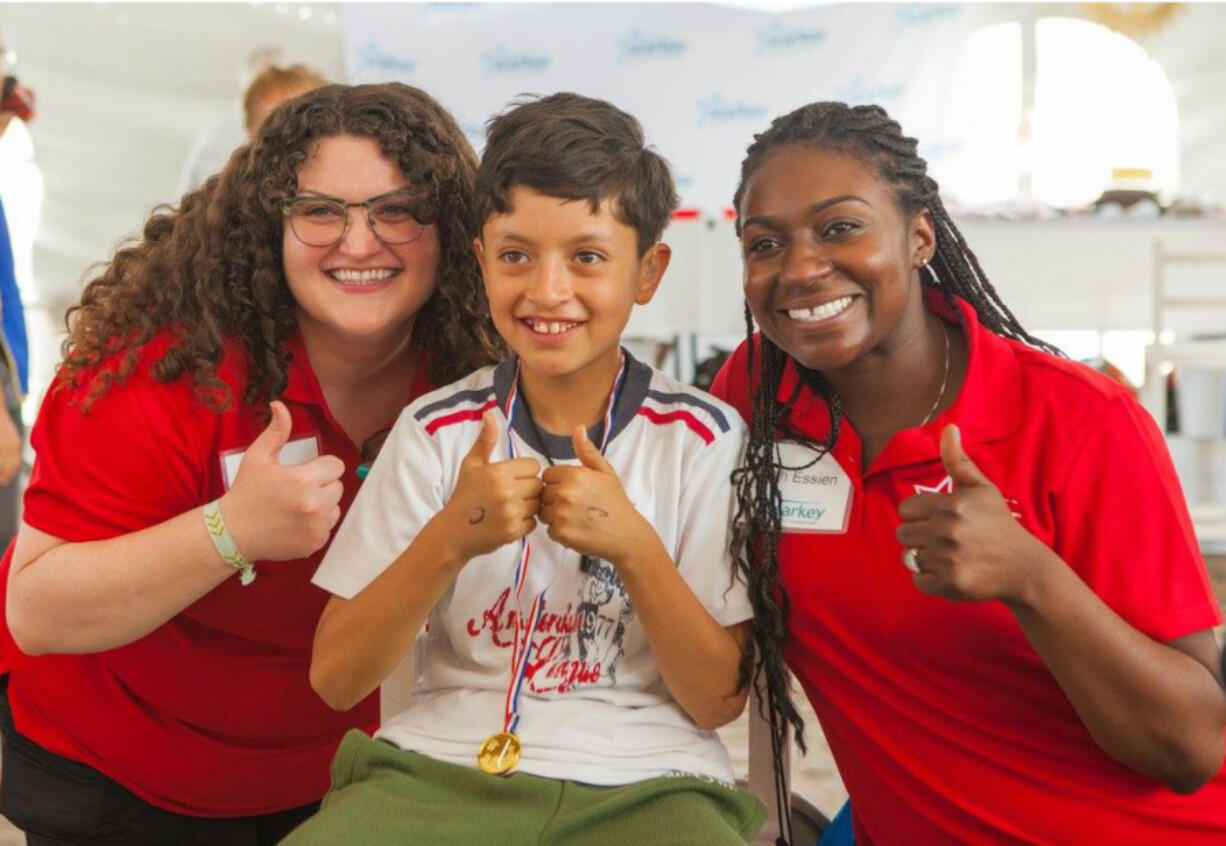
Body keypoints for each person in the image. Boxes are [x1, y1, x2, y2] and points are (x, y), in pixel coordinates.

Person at [0, 82, 502, 845]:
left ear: (451, 226)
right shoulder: (165, 368)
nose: (360, 243)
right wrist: (230, 531)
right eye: (319, 211)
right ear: (269, 225)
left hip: (333, 779)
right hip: (125, 778)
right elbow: (35, 612)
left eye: (397, 210)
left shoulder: (474, 371)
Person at [710, 102, 1226, 843]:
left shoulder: (1079, 422)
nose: (800, 269)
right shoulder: (757, 396)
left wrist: (1032, 578)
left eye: (840, 227)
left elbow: (1189, 749)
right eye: (764, 243)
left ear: (920, 236)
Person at [284, 93, 765, 845]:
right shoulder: (436, 431)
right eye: (515, 255)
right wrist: (450, 538)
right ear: (480, 263)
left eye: (587, 257)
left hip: (649, 782)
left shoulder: (703, 440)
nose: (547, 291)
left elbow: (716, 702)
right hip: (441, 770)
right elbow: (335, 679)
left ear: (648, 269)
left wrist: (635, 547)